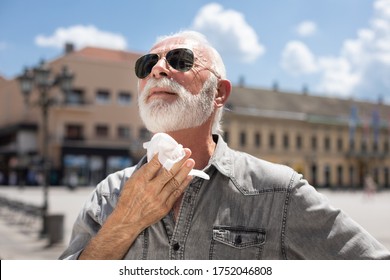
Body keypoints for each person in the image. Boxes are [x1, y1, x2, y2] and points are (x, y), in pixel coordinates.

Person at [59, 30, 390, 260]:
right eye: (147, 65)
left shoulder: (278, 192)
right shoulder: (108, 194)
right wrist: (124, 221)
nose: (159, 69)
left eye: (180, 59)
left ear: (218, 93)